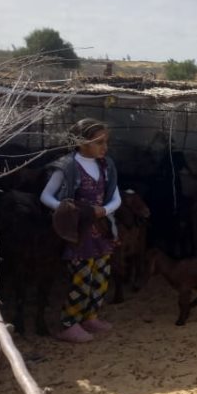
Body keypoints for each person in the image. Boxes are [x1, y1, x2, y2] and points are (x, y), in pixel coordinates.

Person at [40, 118, 122, 343]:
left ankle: (91, 317)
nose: (104, 147)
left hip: (102, 229)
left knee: (101, 276)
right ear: (81, 142)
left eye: (106, 142)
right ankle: (69, 324)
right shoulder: (67, 167)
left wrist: (104, 211)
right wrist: (68, 210)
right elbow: (46, 196)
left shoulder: (106, 166)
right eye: (99, 142)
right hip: (78, 232)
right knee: (81, 279)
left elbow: (116, 197)